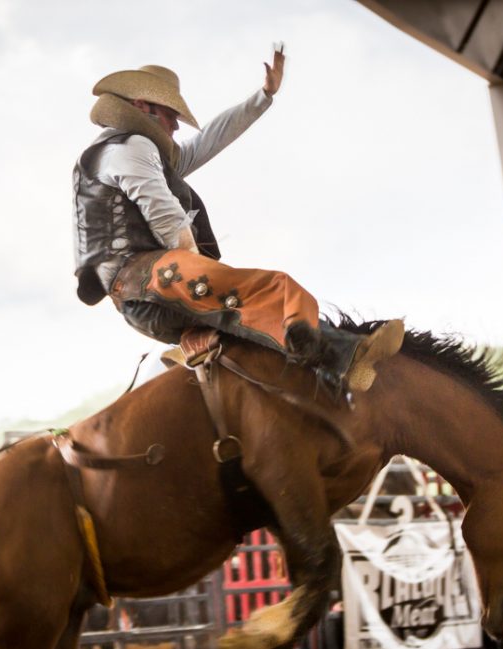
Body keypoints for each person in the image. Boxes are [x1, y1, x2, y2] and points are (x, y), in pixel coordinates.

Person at [72, 45, 403, 398]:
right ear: (142, 107)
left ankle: (203, 350)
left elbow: (210, 140)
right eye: (170, 116)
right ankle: (346, 356)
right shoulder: (132, 148)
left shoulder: (139, 153)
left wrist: (263, 97)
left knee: (254, 313)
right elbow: (165, 215)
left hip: (143, 296)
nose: (175, 127)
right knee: (275, 290)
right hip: (151, 280)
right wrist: (196, 267)